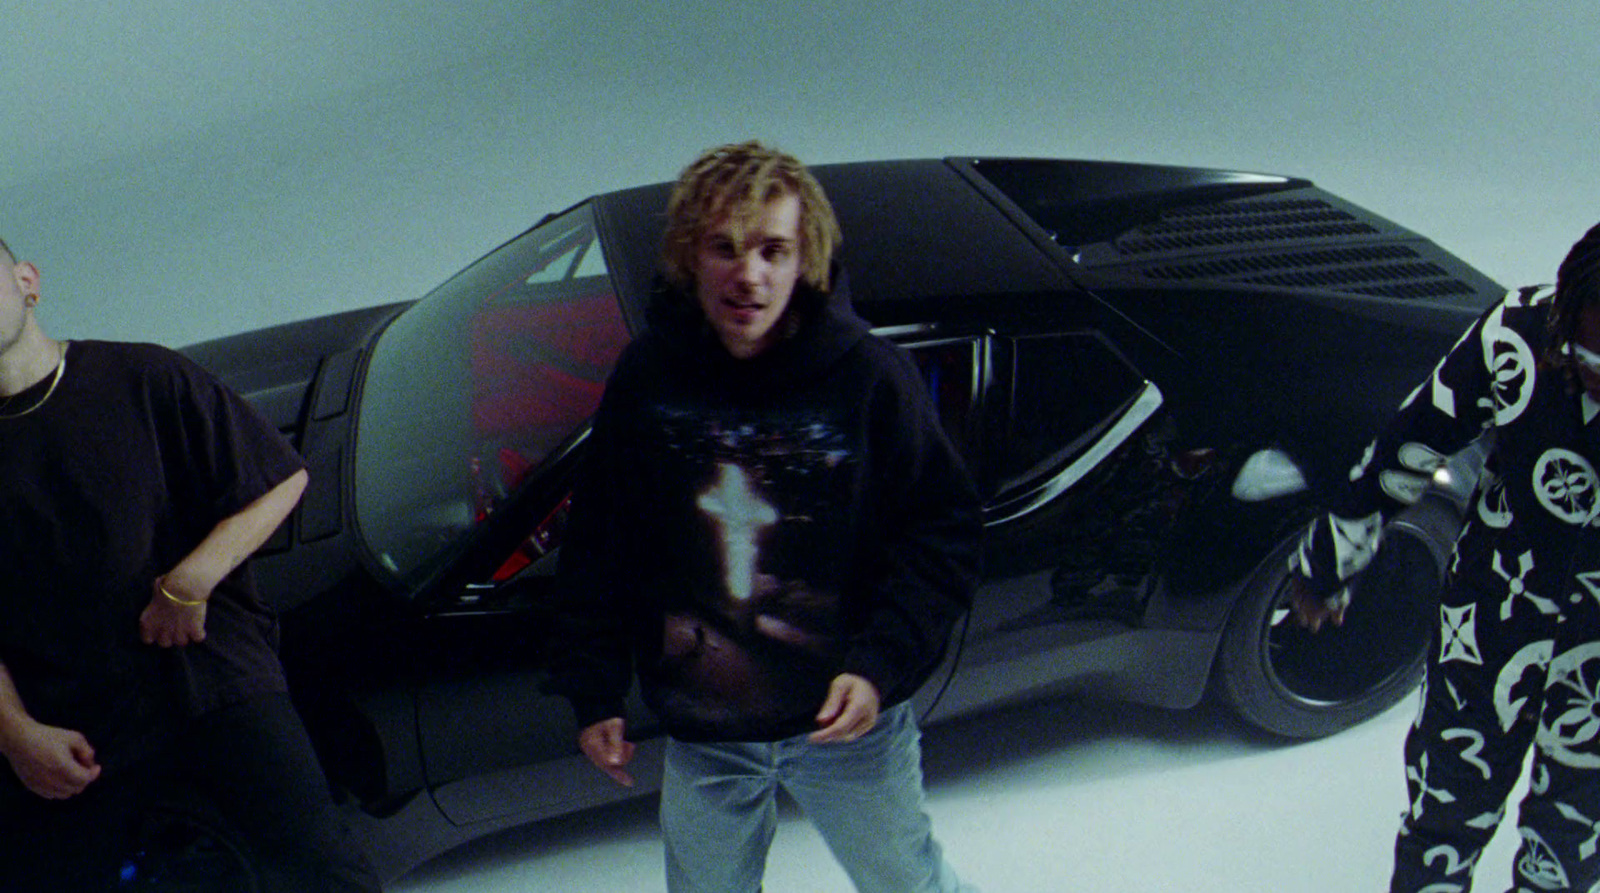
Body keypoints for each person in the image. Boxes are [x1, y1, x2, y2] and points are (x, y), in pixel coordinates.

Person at [550, 141, 983, 892]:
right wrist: (594, 687)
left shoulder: (871, 377)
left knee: (909, 882)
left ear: (804, 257)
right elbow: (601, 535)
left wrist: (878, 665)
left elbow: (940, 530)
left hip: (851, 728)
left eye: (773, 249)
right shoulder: (648, 376)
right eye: (725, 246)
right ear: (691, 254)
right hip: (707, 732)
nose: (749, 274)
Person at [0, 237, 380, 891]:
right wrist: (15, 734)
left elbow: (280, 480)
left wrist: (192, 578)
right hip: (70, 722)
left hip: (212, 681)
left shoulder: (144, 378)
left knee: (324, 871)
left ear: (28, 281)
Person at [1290, 221, 1600, 892]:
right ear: (1566, 315)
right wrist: (1328, 562)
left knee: (1572, 843)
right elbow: (1407, 445)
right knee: (1444, 811)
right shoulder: (1514, 332)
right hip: (1488, 619)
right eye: (1594, 359)